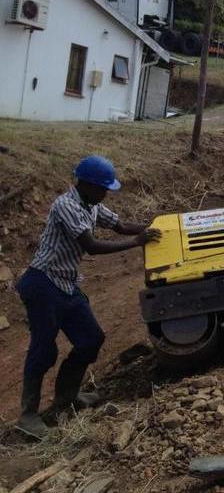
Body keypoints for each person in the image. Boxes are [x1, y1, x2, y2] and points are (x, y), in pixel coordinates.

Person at [15, 156, 160, 438]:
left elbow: (120, 225)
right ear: (87, 184)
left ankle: (67, 398)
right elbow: (91, 246)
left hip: (66, 283)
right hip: (43, 283)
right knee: (44, 349)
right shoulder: (66, 206)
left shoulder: (91, 204)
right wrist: (136, 242)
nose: (106, 193)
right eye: (103, 188)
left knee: (90, 339)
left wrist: (156, 227)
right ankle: (28, 415)